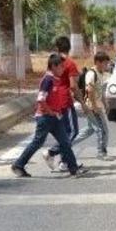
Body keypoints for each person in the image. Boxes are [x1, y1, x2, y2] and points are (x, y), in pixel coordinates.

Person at [11, 54, 85, 178]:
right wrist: (51, 112)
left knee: (65, 142)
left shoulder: (55, 79)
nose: (63, 69)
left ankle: (74, 169)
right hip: (45, 118)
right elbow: (41, 99)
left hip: (55, 117)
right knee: (37, 142)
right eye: (61, 67)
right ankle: (18, 165)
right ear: (53, 66)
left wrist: (57, 112)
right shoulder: (48, 80)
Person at [44, 36, 86, 171]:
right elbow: (73, 86)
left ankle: (64, 162)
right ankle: (51, 152)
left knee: (64, 132)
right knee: (73, 132)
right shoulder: (69, 63)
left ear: (57, 47)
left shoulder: (53, 62)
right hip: (65, 101)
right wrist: (82, 102)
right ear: (69, 47)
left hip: (54, 100)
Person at [71, 52, 111, 160]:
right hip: (92, 107)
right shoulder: (91, 74)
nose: (106, 66)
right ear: (98, 62)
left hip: (97, 106)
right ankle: (101, 152)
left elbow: (100, 91)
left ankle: (65, 146)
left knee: (89, 130)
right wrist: (94, 107)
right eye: (105, 63)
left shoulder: (101, 74)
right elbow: (90, 91)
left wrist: (105, 103)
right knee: (102, 129)